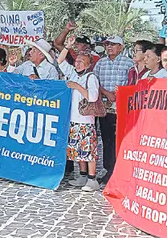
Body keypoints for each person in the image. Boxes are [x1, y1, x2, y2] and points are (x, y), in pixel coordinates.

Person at [58, 37, 102, 192]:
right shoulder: (73, 74)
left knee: (89, 150)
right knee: (78, 150)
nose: (77, 63)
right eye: (76, 61)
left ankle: (92, 178)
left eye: (81, 61)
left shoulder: (91, 77)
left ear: (88, 64)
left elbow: (93, 97)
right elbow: (60, 61)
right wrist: (67, 46)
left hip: (86, 119)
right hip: (73, 118)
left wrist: (77, 87)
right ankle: (82, 175)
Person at [94, 36, 135, 184]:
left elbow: (132, 82)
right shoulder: (100, 63)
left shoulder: (129, 63)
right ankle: (108, 169)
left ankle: (120, 169)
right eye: (107, 45)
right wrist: (106, 93)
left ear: (121, 47)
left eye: (113, 44)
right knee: (107, 139)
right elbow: (95, 81)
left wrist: (119, 94)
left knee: (120, 139)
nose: (109, 47)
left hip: (121, 107)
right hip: (105, 107)